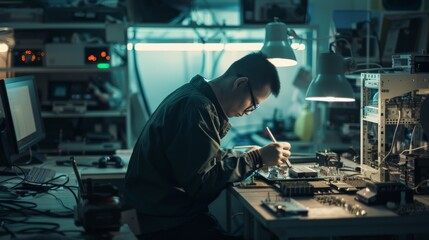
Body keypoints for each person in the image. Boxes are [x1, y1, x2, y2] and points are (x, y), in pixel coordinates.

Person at [123, 51, 291, 240]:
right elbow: (203, 183)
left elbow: (200, 159)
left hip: (166, 213)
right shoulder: (197, 108)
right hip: (162, 221)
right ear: (240, 83)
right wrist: (256, 158)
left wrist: (244, 158)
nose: (249, 113)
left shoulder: (195, 97)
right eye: (253, 104)